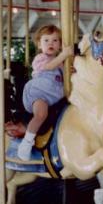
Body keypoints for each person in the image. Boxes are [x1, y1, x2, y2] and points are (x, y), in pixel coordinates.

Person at [18, 25, 73, 161]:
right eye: (46, 40)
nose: (51, 44)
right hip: (39, 92)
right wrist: (64, 55)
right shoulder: (40, 58)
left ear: (60, 44)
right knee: (41, 114)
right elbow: (49, 66)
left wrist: (71, 70)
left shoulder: (61, 63)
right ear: (39, 44)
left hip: (55, 97)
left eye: (55, 40)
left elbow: (67, 76)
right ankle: (27, 142)